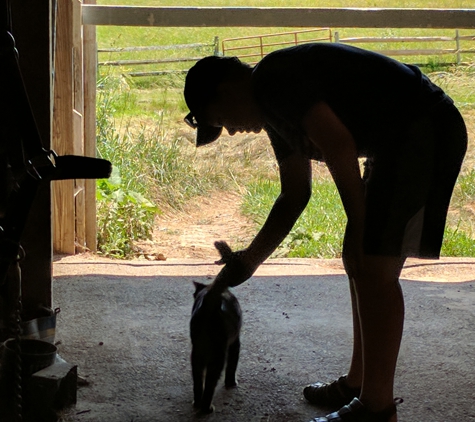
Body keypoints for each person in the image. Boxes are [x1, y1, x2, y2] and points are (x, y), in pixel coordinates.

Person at [182, 43, 467, 422]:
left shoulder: (272, 81)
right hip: (402, 136)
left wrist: (359, 221)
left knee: (375, 269)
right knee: (359, 260)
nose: (231, 131)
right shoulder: (273, 109)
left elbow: (338, 143)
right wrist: (248, 261)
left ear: (227, 90)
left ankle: (376, 406)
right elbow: (294, 195)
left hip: (423, 129)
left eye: (221, 121)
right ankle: (359, 383)